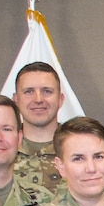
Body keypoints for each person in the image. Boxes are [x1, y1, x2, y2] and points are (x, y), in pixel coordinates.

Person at [11, 62, 66, 190]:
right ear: (16, 100)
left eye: (47, 91)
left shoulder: (81, 150)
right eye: (29, 91)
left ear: (60, 99)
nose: (38, 99)